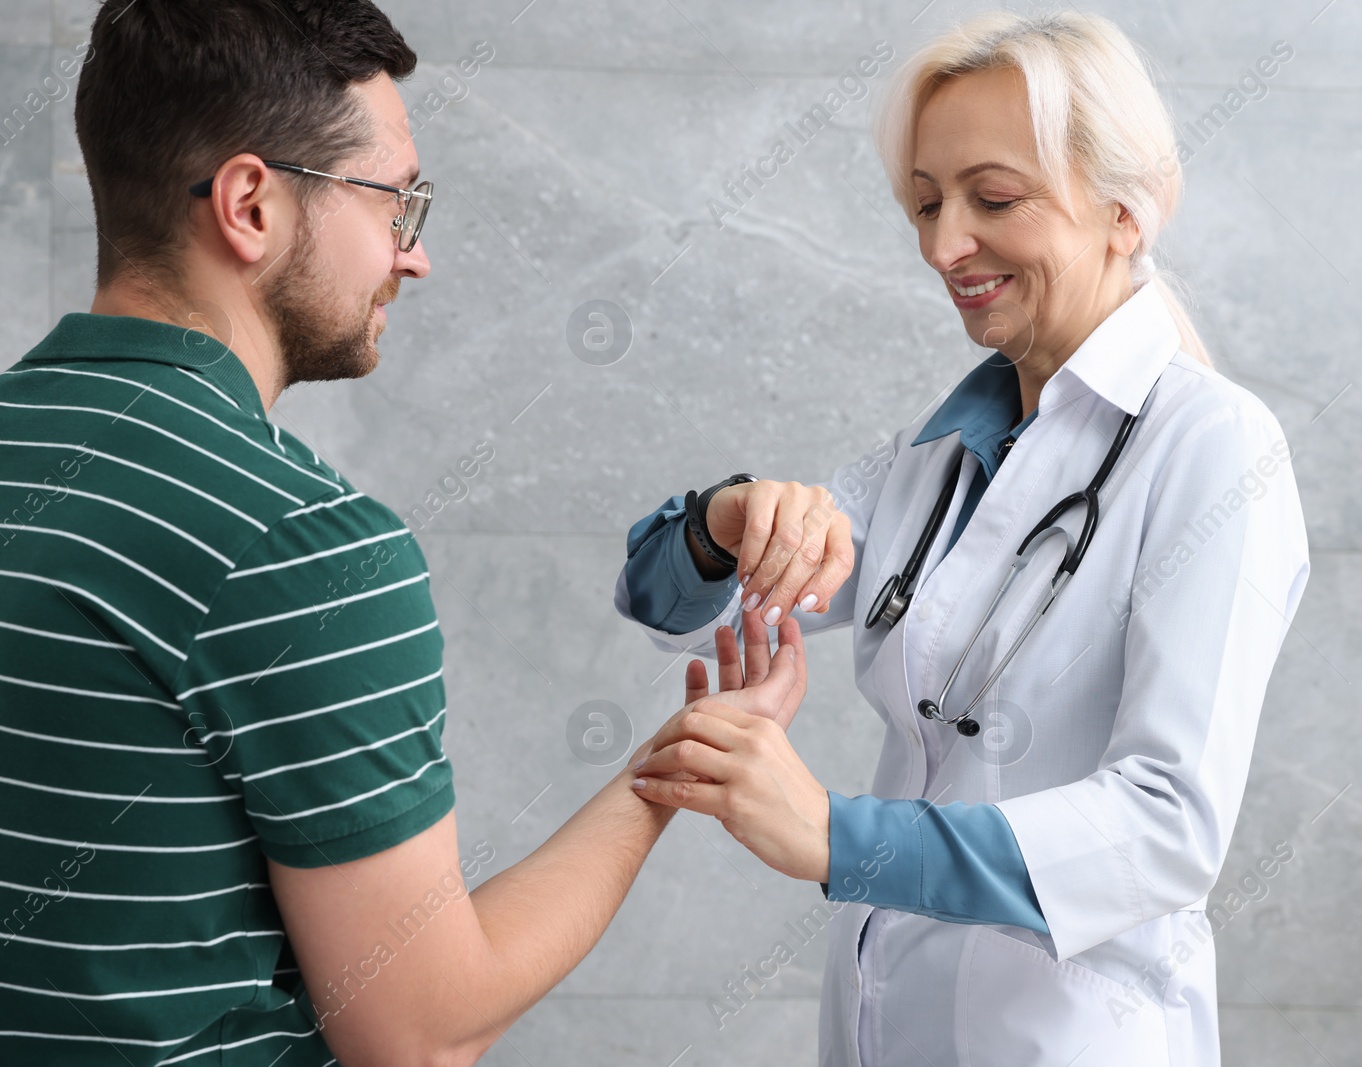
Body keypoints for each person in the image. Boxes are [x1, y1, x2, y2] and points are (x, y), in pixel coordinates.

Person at [0, 3, 806, 1065]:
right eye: (398, 203)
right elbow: (419, 1029)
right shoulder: (303, 545)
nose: (411, 257)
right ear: (251, 204)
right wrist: (670, 772)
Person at [617, 11, 1311, 1066]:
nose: (945, 247)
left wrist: (842, 838)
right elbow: (664, 600)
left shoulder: (1215, 450)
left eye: (992, 199)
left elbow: (1167, 828)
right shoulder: (938, 458)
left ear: (1124, 212)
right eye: (926, 202)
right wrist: (727, 517)